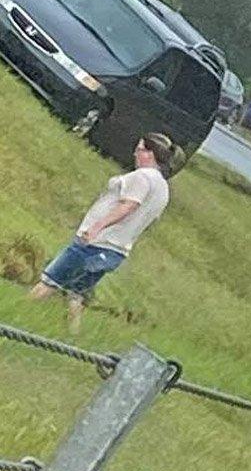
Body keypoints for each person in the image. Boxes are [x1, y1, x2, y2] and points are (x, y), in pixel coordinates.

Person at [30, 133, 173, 333]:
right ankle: (72, 335)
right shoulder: (163, 188)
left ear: (151, 153)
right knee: (76, 293)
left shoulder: (142, 177)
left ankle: (13, 317)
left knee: (50, 281)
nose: (135, 153)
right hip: (117, 250)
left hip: (96, 243)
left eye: (140, 149)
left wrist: (96, 227)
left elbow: (128, 205)